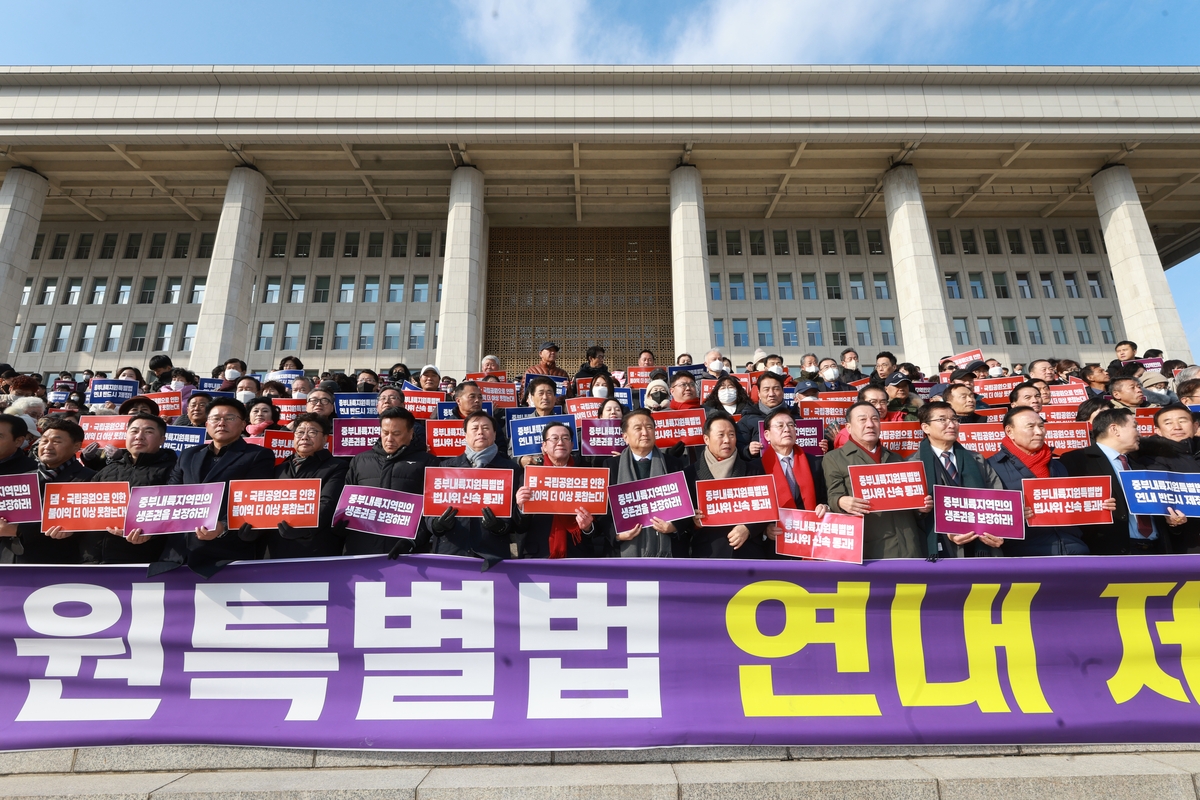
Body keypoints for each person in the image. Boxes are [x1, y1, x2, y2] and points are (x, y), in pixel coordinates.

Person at [154, 398, 275, 576]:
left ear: (243, 424)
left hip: (224, 556)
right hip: (176, 556)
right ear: (207, 424)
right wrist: (146, 529)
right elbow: (170, 495)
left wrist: (223, 527)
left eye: (230, 418)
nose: (221, 423)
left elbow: (252, 501)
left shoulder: (258, 455)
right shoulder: (189, 454)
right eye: (215, 418)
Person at [1061, 408, 1185, 555]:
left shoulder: (1141, 465)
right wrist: (1094, 505)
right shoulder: (1078, 460)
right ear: (1115, 429)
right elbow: (1068, 505)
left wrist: (1172, 523)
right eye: (1134, 426)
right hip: (1111, 550)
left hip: (1155, 550)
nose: (1140, 433)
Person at [414, 411, 523, 568]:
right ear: (465, 435)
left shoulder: (510, 469)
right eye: (475, 428)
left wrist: (500, 527)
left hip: (492, 554)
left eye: (486, 427)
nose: (480, 432)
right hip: (452, 552)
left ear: (494, 433)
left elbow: (518, 520)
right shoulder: (445, 467)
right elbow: (430, 511)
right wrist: (437, 525)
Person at [823, 402, 932, 559]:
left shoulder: (896, 458)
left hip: (909, 544)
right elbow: (833, 495)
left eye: (875, 419)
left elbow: (911, 504)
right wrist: (841, 502)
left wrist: (921, 508)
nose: (870, 424)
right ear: (848, 427)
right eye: (862, 420)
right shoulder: (834, 458)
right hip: (872, 548)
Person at [988, 406, 1091, 556]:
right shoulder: (990, 468)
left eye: (1041, 426)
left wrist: (1097, 505)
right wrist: (1009, 514)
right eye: (1030, 426)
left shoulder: (1058, 465)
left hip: (1075, 550)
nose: (1039, 432)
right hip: (1024, 557)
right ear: (1009, 431)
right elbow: (983, 516)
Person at [909, 401, 1005, 558]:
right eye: (942, 420)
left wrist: (998, 530)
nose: (951, 425)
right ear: (925, 428)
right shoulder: (913, 464)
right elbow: (909, 514)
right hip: (940, 547)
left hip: (983, 542)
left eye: (954, 419)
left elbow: (997, 497)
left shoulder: (976, 459)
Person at [345, 407, 438, 556]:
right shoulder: (360, 460)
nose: (389, 439)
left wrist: (413, 541)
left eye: (396, 434)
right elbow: (347, 502)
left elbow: (431, 510)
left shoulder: (428, 462)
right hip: (361, 548)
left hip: (407, 551)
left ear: (410, 433)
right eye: (385, 433)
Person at [89, 414, 178, 564]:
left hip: (141, 563)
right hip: (93, 561)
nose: (139, 437)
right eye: (134, 431)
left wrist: (151, 533)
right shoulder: (106, 471)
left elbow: (179, 514)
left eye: (148, 432)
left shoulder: (175, 471)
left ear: (162, 439)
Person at [683, 412, 772, 558]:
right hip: (708, 553)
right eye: (721, 435)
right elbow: (682, 520)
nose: (727, 440)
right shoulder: (690, 474)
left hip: (747, 553)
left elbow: (766, 509)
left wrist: (749, 529)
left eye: (731, 434)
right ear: (706, 438)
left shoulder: (754, 470)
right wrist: (693, 521)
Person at [6, 417, 94, 564]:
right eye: (45, 440)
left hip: (56, 565)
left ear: (76, 446)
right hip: (10, 562)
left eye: (57, 442)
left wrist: (20, 530)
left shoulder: (90, 479)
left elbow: (87, 526)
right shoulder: (21, 478)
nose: (47, 446)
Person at [603, 409, 689, 558]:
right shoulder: (611, 466)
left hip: (668, 551)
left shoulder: (673, 464)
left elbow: (686, 506)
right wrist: (617, 535)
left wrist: (674, 527)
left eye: (649, 427)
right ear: (625, 437)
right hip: (624, 550)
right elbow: (603, 512)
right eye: (638, 428)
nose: (645, 432)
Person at [515, 421, 603, 558]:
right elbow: (518, 527)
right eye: (554, 438)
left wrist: (588, 528)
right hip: (537, 556)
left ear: (572, 445)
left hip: (578, 555)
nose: (560, 442)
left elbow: (600, 526)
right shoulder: (529, 477)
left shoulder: (587, 476)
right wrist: (521, 508)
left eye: (565, 438)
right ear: (544, 446)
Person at [266, 412, 348, 559]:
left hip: (317, 550)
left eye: (312, 432)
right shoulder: (279, 469)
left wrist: (303, 528)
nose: (304, 437)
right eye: (300, 432)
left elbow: (328, 504)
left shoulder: (337, 467)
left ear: (325, 439)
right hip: (277, 550)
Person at [758, 406, 830, 548]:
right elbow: (754, 510)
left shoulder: (815, 463)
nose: (787, 429)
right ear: (767, 435)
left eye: (791, 425)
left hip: (811, 538)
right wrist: (765, 529)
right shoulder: (756, 468)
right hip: (775, 543)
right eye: (780, 426)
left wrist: (825, 506)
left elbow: (825, 496)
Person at [1137, 404, 1200, 552]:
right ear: (1158, 430)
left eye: (1183, 420)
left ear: (1196, 426)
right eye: (1168, 423)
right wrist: (1173, 522)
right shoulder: (1151, 459)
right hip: (1187, 543)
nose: (1177, 427)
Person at [736, 371, 794, 460]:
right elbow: (736, 448)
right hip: (760, 468)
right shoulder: (747, 421)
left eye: (776, 389)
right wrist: (747, 450)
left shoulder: (795, 416)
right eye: (766, 389)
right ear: (759, 393)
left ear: (783, 391)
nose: (771, 394)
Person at [514, 376, 561, 466]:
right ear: (532, 397)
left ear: (555, 398)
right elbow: (511, 452)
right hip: (529, 473)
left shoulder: (564, 424)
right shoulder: (522, 424)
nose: (545, 397)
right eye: (541, 393)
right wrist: (520, 460)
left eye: (549, 393)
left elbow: (575, 455)